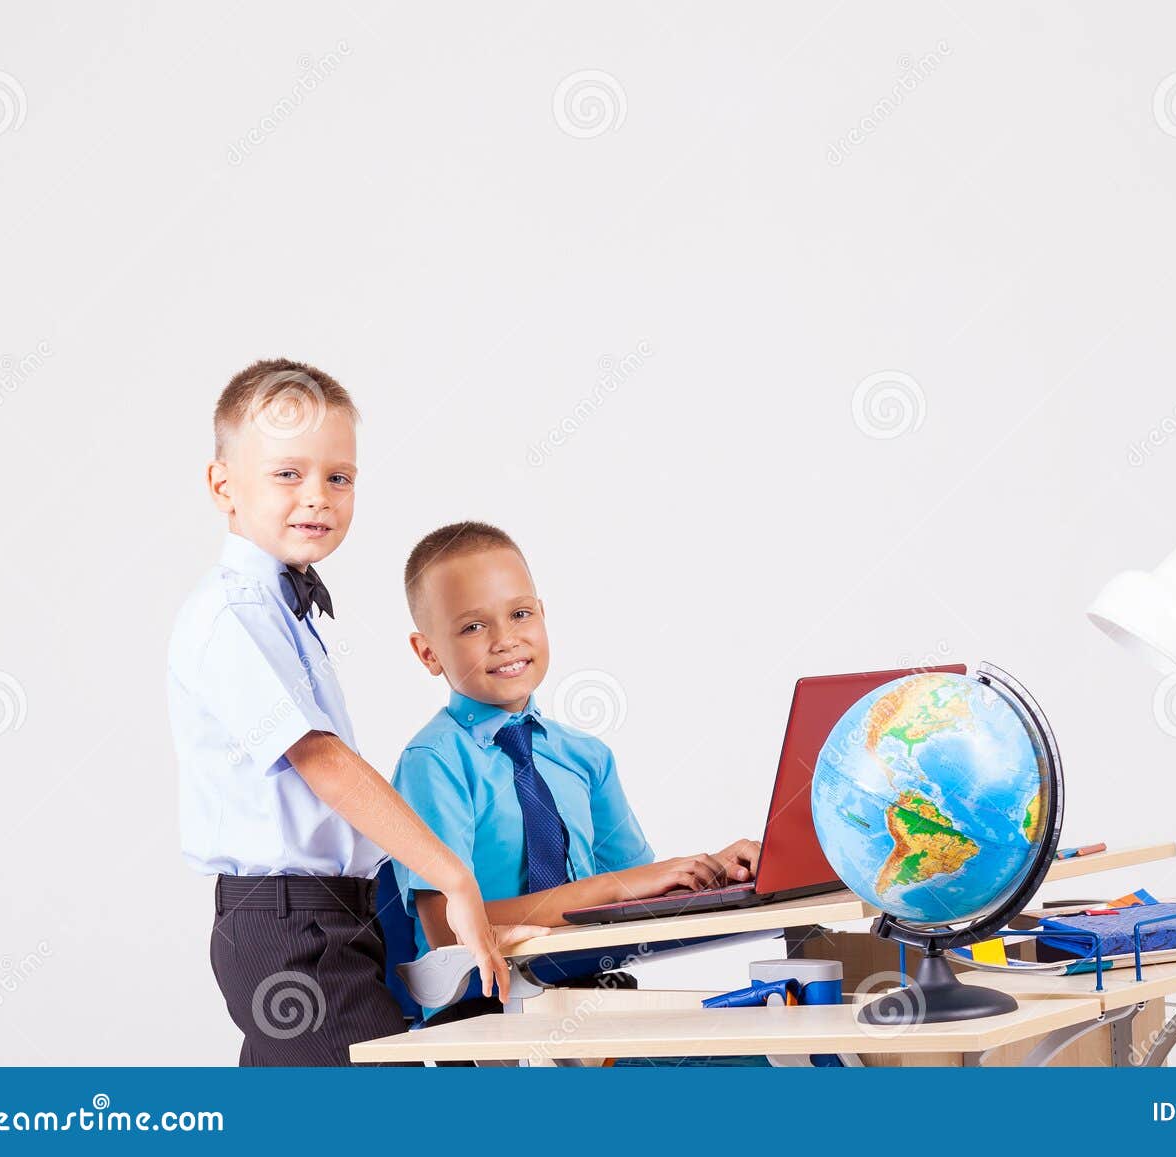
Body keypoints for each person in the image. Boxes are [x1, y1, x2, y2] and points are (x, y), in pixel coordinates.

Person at [166, 360, 539, 1065]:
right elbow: (322, 761)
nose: (318, 497)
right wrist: (453, 876)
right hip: (287, 920)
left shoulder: (282, 607)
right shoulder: (234, 613)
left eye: (339, 477)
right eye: (287, 474)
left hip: (330, 911)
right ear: (223, 485)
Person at [391, 520, 759, 1020]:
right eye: (473, 626)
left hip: (589, 995)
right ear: (427, 652)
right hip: (485, 1007)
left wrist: (713, 869)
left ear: (542, 615)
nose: (505, 640)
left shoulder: (585, 756)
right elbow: (447, 931)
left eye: (519, 614)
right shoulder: (434, 763)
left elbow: (636, 886)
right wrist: (610, 890)